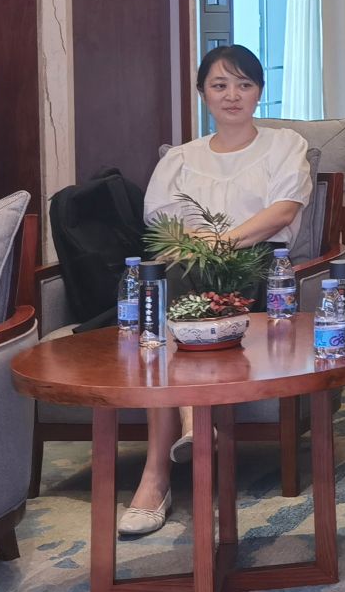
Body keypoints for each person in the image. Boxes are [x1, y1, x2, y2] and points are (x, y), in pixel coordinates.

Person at [127, 43, 313, 538]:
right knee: (162, 292)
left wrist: (221, 242)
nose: (233, 95)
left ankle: (160, 471)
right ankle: (177, 446)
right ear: (202, 93)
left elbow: (283, 211)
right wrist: (199, 249)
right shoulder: (180, 158)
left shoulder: (284, 145)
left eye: (244, 84)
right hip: (188, 263)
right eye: (220, 85)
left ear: (259, 92)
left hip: (257, 265)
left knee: (171, 303)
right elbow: (162, 226)